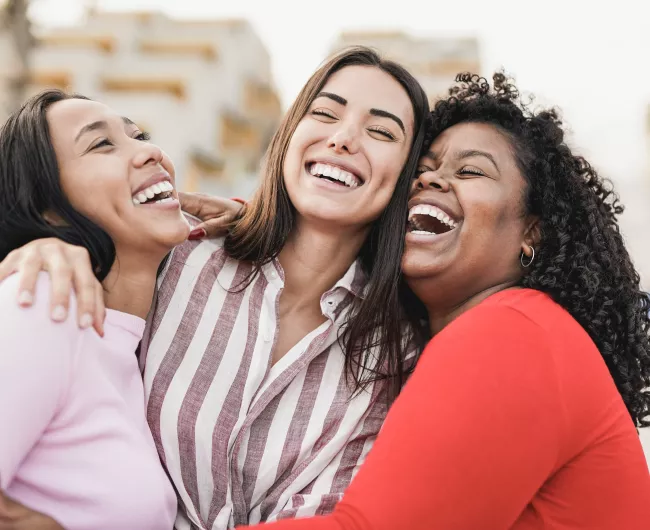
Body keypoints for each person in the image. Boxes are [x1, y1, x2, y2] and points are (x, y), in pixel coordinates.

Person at [0, 47, 430, 528]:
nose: (344, 139)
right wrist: (37, 248)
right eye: (324, 113)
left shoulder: (399, 352)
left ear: (408, 175)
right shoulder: (174, 259)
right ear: (289, 134)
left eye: (381, 132)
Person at [233, 73, 650, 529]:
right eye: (422, 170)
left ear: (532, 232)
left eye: (470, 171)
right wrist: (252, 224)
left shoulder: (510, 334)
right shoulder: (489, 334)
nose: (431, 180)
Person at [0, 90, 186, 529]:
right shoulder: (41, 300)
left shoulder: (127, 343)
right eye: (102, 144)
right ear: (49, 211)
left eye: (138, 135)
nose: (148, 151)